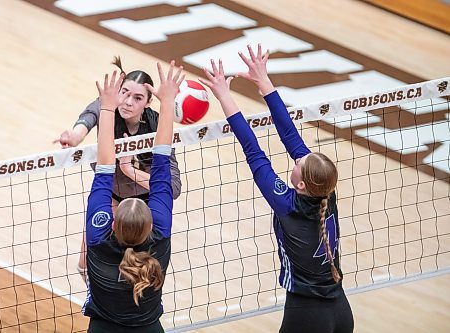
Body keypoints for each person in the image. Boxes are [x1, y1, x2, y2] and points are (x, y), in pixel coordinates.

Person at [198, 45, 354, 333]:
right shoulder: (326, 192)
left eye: (300, 162)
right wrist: (264, 82)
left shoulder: (288, 204)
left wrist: (224, 96)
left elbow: (253, 150)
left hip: (307, 317)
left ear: (302, 183)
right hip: (341, 311)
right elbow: (290, 135)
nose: (297, 156)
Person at [54, 57, 182, 281]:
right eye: (125, 93)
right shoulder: (108, 104)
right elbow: (90, 115)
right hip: (111, 196)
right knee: (85, 264)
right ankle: (97, 297)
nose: (128, 102)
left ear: (148, 102)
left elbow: (174, 188)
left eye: (138, 98)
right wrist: (75, 136)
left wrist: (129, 169)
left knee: (136, 270)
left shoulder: (156, 126)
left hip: (143, 206)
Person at [82, 61, 184, 332]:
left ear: (112, 223)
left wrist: (106, 105)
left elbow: (104, 167)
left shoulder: (98, 240)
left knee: (84, 267)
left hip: (103, 325)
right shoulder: (158, 236)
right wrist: (169, 103)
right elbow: (161, 165)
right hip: (148, 326)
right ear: (150, 224)